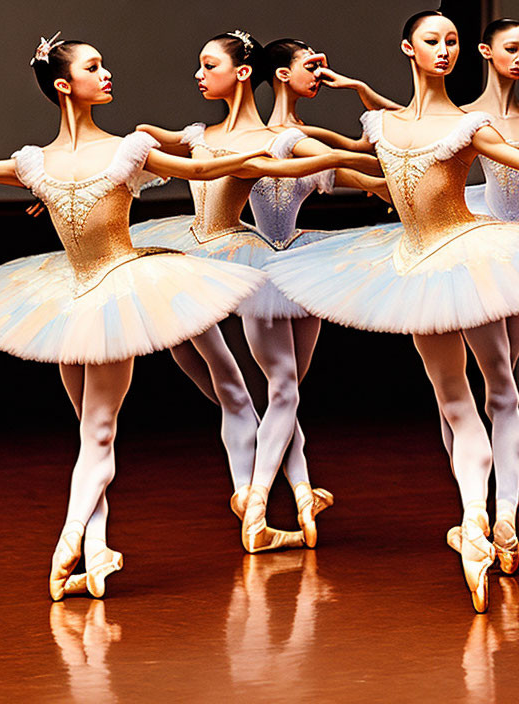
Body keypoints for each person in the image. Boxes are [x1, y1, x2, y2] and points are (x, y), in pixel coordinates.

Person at [0, 33, 298, 600]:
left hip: (90, 298)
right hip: (97, 297)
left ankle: (82, 547)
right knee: (94, 434)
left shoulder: (64, 160)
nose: (107, 73)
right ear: (66, 85)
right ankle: (81, 547)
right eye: (95, 67)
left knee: (93, 436)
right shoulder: (70, 158)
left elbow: (200, 171)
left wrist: (274, 152)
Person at [266, 11, 519, 613]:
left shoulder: (467, 123)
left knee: (498, 390)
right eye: (434, 40)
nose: (446, 50)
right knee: (457, 401)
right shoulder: (379, 123)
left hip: (471, 255)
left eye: (452, 41)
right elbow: (366, 163)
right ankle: (478, 525)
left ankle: (495, 520)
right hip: (417, 265)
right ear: (408, 48)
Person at [129, 30, 384, 553]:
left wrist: (392, 168)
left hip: (278, 259)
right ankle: (277, 497)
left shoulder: (280, 138)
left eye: (207, 65)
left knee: (276, 392)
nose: (198, 75)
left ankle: (271, 498)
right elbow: (147, 144)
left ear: (244, 73)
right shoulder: (204, 133)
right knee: (267, 391)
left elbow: (354, 162)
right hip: (213, 258)